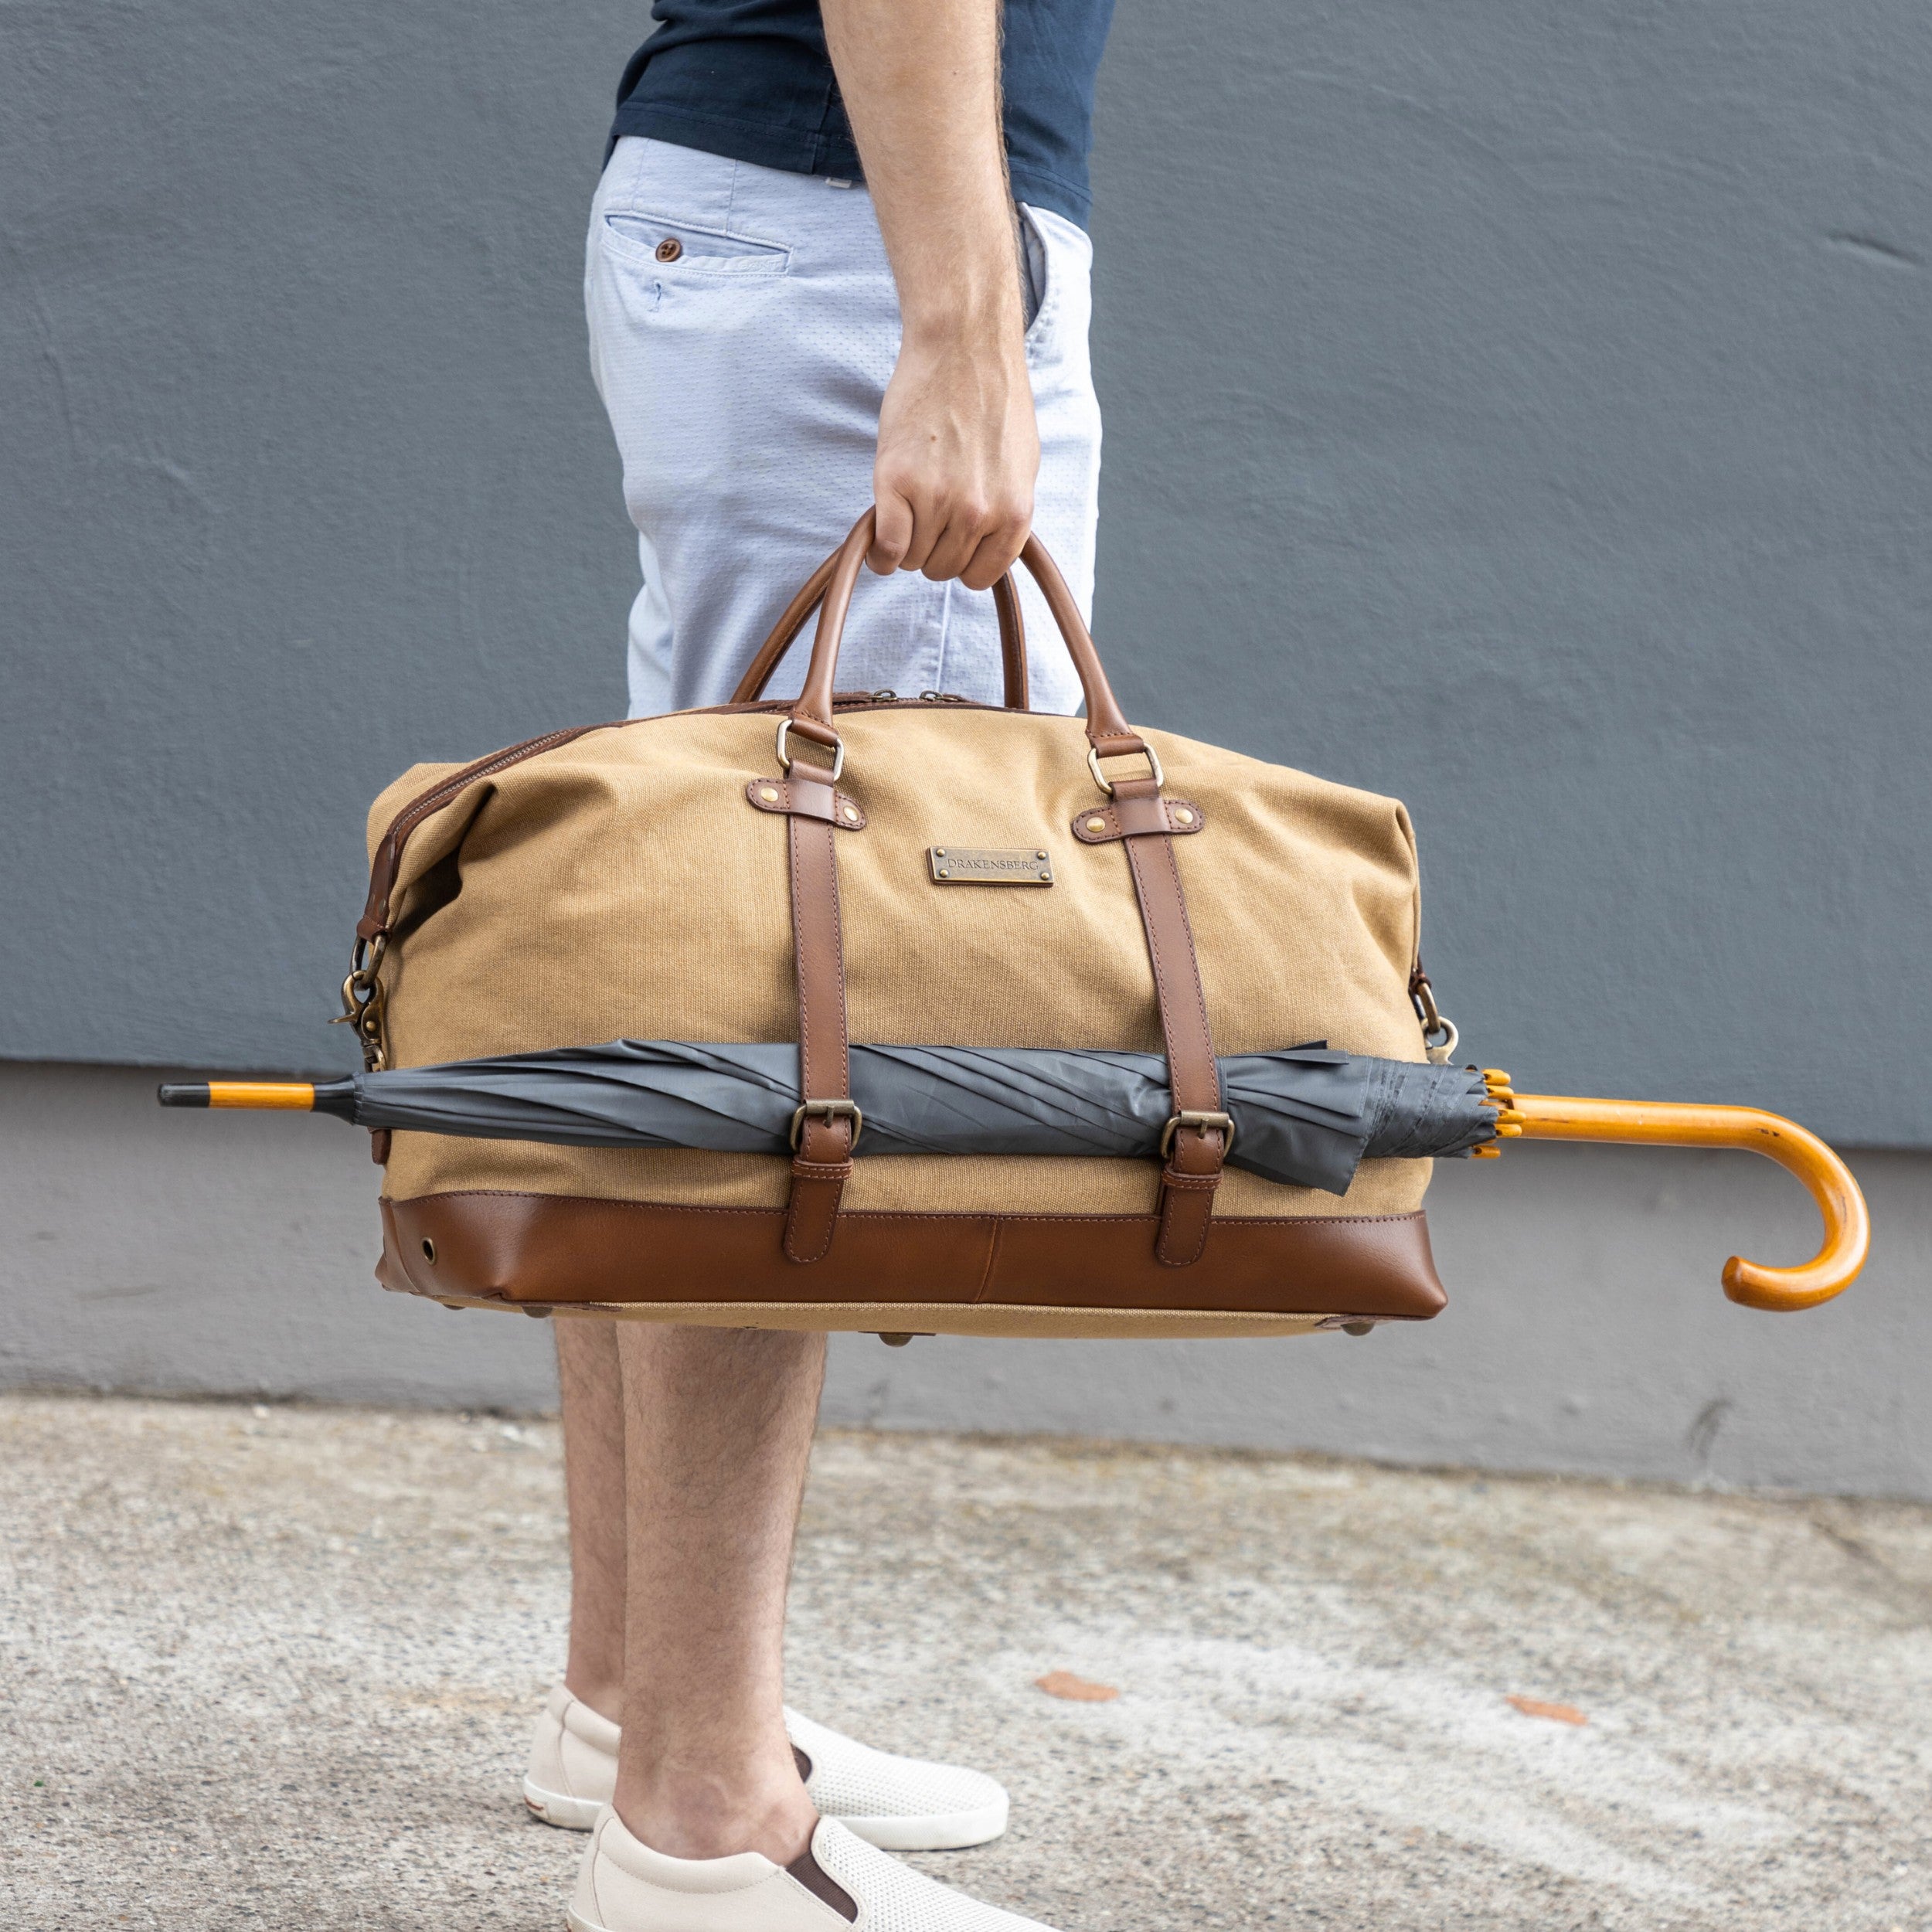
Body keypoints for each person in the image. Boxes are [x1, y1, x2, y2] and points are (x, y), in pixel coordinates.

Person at [529, 3, 1114, 1927]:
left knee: (711, 969)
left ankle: (643, 1703)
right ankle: (699, 1815)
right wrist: (959, 322)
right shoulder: (909, 281)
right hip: (857, 232)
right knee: (797, 1031)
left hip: (792, 214)